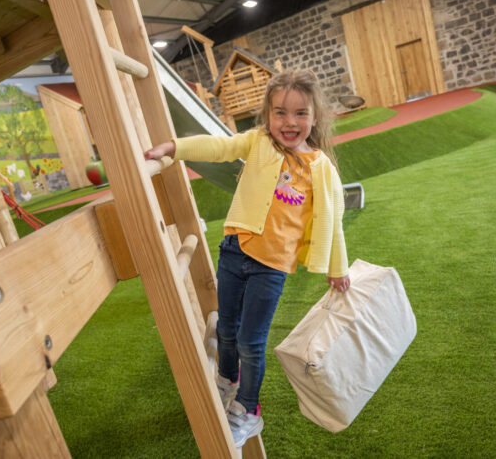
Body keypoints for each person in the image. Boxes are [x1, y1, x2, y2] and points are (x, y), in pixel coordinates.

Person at [144, 69, 350, 448]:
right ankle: (227, 380)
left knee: (250, 342)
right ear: (267, 117)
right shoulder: (258, 143)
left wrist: (337, 269)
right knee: (226, 329)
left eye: (300, 113)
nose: (289, 123)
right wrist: (173, 149)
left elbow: (333, 221)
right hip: (234, 250)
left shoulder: (321, 169)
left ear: (314, 117)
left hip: (271, 268)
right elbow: (218, 148)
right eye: (280, 113)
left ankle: (248, 411)